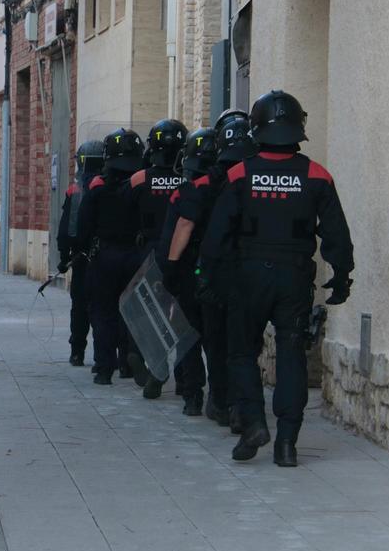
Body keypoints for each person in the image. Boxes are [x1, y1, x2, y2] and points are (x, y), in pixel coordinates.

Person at [201, 90, 354, 467]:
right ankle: (287, 442)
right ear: (298, 127)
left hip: (248, 277)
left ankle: (253, 422)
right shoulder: (317, 175)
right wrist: (341, 276)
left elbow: (217, 235)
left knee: (241, 352)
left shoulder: (239, 174)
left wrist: (210, 278)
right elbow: (336, 233)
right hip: (294, 278)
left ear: (256, 128)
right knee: (291, 354)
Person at [158, 113, 256, 426]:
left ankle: (198, 396)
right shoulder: (248, 183)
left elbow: (182, 227)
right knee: (231, 341)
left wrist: (171, 268)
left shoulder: (197, 186)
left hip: (198, 271)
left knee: (195, 335)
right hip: (242, 271)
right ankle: (232, 402)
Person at [127, 119, 191, 402]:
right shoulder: (188, 181)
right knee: (181, 315)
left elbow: (124, 213)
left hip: (148, 250)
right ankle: (182, 379)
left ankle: (142, 355)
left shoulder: (139, 179)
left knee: (147, 310)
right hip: (182, 251)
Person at [76, 128, 145, 385]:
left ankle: (105, 368)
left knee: (103, 313)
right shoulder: (141, 188)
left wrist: (82, 251)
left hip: (104, 256)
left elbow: (83, 226)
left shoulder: (97, 188)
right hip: (135, 256)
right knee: (133, 311)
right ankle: (130, 361)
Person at [57, 140, 104, 366]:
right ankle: (106, 356)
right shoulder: (109, 186)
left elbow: (65, 228)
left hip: (81, 258)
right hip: (103, 257)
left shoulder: (75, 190)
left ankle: (77, 351)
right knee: (103, 308)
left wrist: (63, 256)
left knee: (79, 308)